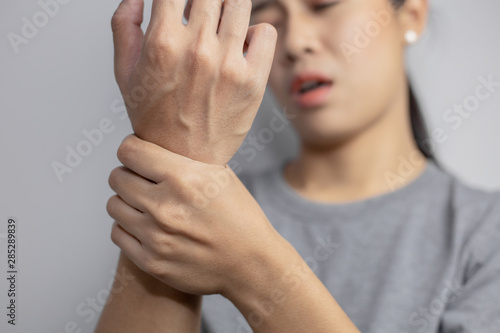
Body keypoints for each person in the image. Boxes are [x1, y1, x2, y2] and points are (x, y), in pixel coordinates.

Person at [96, 0, 500, 332]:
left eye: (323, 5)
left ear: (411, 16)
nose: (295, 42)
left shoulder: (484, 233)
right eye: (266, 14)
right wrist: (173, 159)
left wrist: (256, 269)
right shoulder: (208, 205)